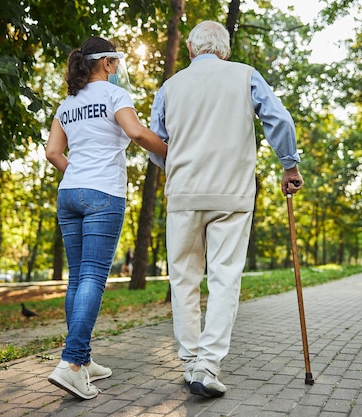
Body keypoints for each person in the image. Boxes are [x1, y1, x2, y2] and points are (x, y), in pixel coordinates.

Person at [149, 21, 303, 398]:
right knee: (224, 279)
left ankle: (189, 362)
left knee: (183, 280)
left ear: (190, 50)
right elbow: (278, 119)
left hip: (184, 194)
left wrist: (179, 168)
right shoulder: (246, 76)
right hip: (231, 196)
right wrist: (289, 165)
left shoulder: (169, 87)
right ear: (226, 50)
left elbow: (155, 140)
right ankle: (208, 365)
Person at [44, 36, 167, 400]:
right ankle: (72, 365)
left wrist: (77, 174)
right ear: (108, 64)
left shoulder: (67, 103)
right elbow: (137, 133)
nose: (118, 69)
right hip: (103, 195)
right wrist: (174, 155)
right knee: (94, 278)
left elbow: (53, 152)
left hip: (69, 193)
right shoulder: (115, 96)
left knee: (76, 279)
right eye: (116, 62)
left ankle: (83, 356)